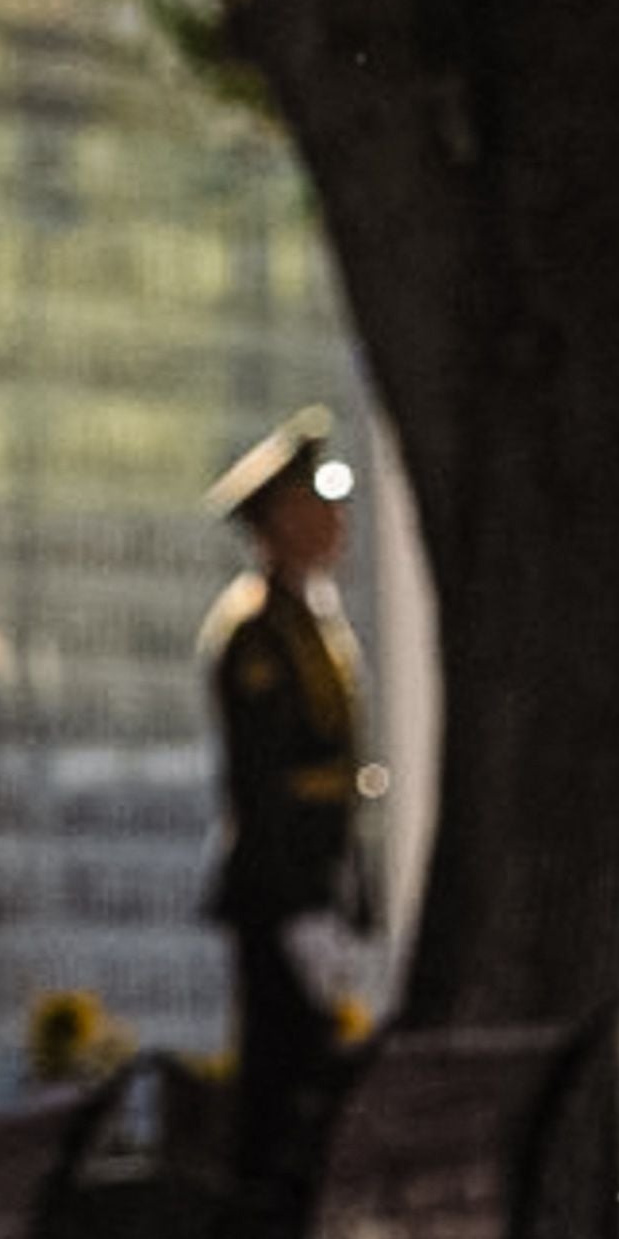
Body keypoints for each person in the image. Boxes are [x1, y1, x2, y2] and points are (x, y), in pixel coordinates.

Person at [198, 404, 380, 1191]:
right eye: (317, 504)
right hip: (279, 893)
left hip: (318, 884)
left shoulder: (310, 622)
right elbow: (267, 783)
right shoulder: (258, 633)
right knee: (279, 1079)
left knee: (312, 1074)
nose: (335, 519)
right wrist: (302, 902)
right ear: (279, 520)